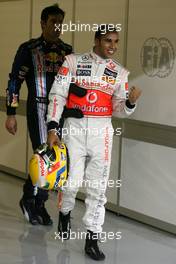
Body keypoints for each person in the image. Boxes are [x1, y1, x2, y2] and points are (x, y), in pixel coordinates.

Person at [47, 25, 141, 260]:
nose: (113, 46)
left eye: (116, 42)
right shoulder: (72, 62)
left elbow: (118, 109)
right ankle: (65, 213)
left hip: (102, 134)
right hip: (73, 131)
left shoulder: (120, 72)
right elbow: (57, 94)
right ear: (97, 40)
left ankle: (92, 238)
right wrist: (52, 127)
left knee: (98, 189)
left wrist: (129, 103)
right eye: (108, 41)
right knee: (71, 183)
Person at [5, 4, 73, 226]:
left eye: (60, 23)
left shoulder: (67, 51)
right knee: (45, 157)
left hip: (61, 112)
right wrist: (11, 113)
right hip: (38, 108)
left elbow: (74, 85)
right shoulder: (29, 49)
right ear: (43, 23)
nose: (57, 27)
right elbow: (15, 81)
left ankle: (39, 203)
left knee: (57, 160)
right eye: (53, 22)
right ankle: (29, 200)